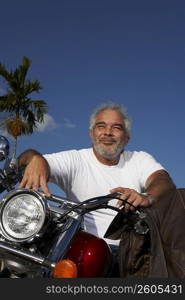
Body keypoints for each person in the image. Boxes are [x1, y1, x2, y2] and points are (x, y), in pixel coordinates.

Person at [18, 102, 176, 276]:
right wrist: (36, 160)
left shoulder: (139, 159)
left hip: (128, 252)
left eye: (116, 127)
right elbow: (29, 158)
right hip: (77, 247)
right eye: (101, 126)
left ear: (127, 138)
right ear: (91, 133)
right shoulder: (76, 159)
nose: (108, 132)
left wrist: (148, 196)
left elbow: (162, 179)